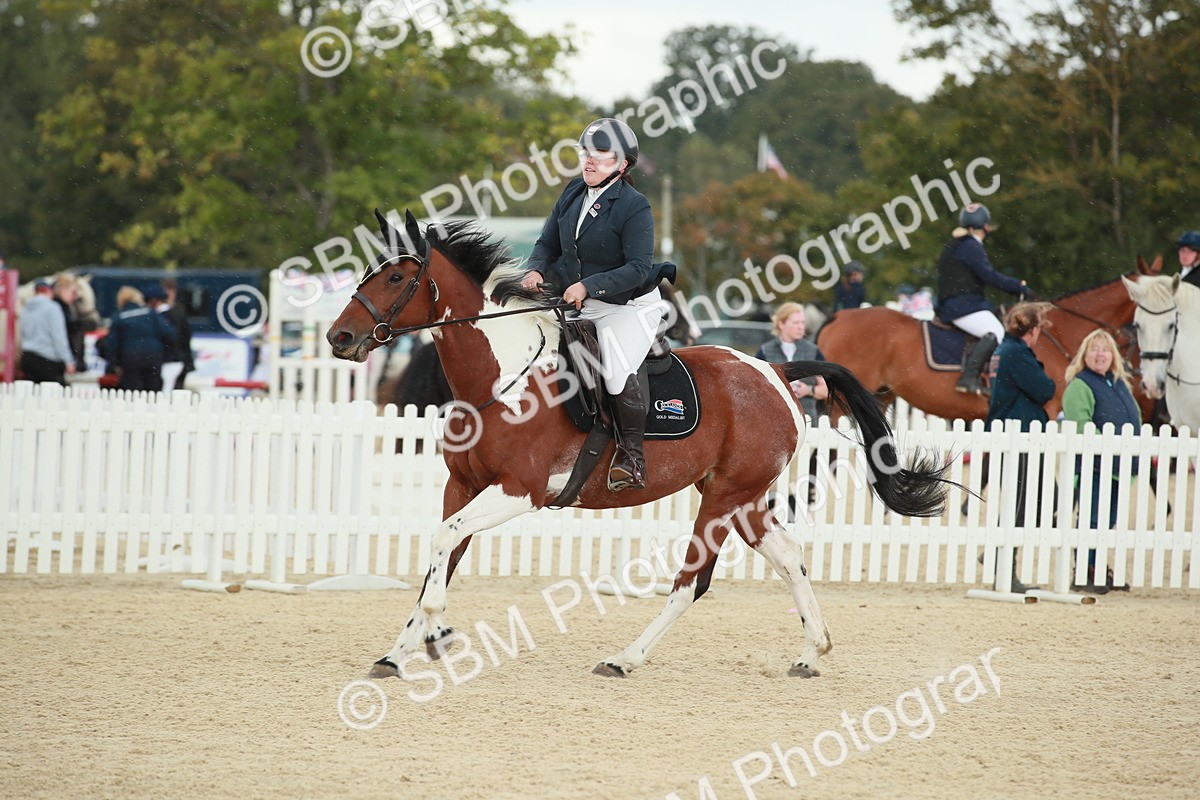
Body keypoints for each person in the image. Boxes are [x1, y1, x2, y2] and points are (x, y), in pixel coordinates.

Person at [519, 118, 671, 491]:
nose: (589, 161)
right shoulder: (573, 192)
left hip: (630, 305)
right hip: (581, 301)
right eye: (586, 153)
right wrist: (536, 269)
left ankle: (632, 457)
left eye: (600, 156)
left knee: (616, 371)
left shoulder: (635, 206)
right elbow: (547, 244)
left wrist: (588, 285)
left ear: (622, 165)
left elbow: (638, 268)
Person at [985, 302, 1056, 593]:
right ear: (1034, 330)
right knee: (1022, 505)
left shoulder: (1003, 350)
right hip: (1020, 436)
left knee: (1029, 501)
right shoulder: (1017, 354)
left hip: (1012, 433)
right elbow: (1045, 390)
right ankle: (1004, 565)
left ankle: (1001, 559)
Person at [1062, 329, 1140, 592]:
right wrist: (1112, 445)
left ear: (1113, 356)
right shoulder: (1080, 385)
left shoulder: (1119, 383)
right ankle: (1083, 571)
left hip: (1118, 466)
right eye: (1094, 349)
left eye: (1105, 350)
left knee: (1107, 521)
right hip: (1093, 466)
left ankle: (1097, 568)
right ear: (1085, 354)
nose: (1100, 354)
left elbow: (1134, 418)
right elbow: (1081, 424)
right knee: (1091, 519)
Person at [935, 203, 1032, 395]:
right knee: (996, 331)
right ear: (986, 227)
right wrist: (1018, 287)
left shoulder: (956, 243)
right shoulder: (971, 245)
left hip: (956, 302)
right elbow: (989, 275)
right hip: (961, 306)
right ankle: (969, 378)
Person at [755, 301, 828, 424]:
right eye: (795, 323)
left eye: (802, 322)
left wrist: (808, 390)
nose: (801, 327)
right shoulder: (765, 351)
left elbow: (826, 390)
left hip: (808, 423)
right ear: (781, 324)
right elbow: (755, 390)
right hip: (774, 423)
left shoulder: (813, 351)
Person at [106, 285, 175, 391]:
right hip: (153, 355)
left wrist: (113, 366)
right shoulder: (150, 313)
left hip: (131, 357)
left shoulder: (118, 317)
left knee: (133, 393)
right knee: (153, 392)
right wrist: (164, 354)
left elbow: (112, 345)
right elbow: (169, 334)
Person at [19, 279, 75, 384]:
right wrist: (68, 361)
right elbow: (58, 337)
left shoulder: (25, 309)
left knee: (32, 394)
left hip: (27, 357)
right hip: (47, 359)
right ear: (49, 291)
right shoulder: (52, 308)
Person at [149, 282, 194, 391]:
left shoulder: (176, 311)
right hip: (176, 358)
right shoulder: (176, 312)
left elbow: (182, 337)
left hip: (173, 359)